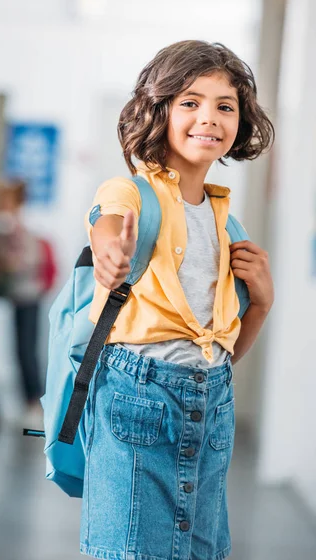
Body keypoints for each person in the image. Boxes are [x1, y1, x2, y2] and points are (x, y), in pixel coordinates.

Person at [81, 41, 275, 560]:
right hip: (138, 397)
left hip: (211, 399)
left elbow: (223, 353)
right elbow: (106, 227)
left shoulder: (227, 225)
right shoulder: (131, 195)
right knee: (132, 550)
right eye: (190, 102)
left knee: (199, 552)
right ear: (159, 109)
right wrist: (109, 257)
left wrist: (262, 304)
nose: (208, 117)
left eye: (225, 105)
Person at [0, 181, 45, 428]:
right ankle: (28, 402)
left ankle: (34, 403)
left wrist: (8, 263)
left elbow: (29, 260)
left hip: (28, 295)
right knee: (21, 349)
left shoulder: (19, 227)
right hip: (20, 295)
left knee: (26, 350)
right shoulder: (10, 226)